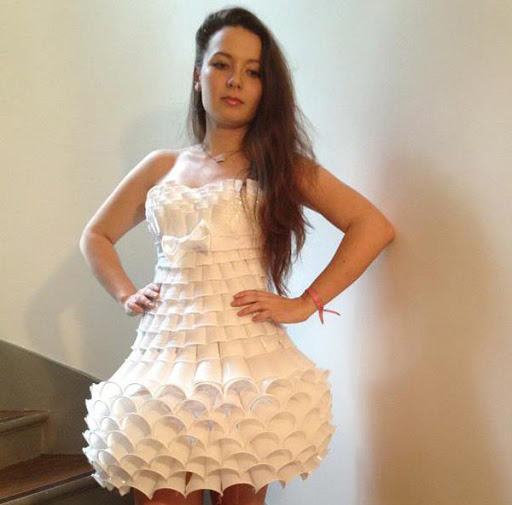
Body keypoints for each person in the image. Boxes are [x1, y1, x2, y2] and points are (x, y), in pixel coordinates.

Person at [79, 6, 395, 505]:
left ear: (266, 88)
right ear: (198, 75)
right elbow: (96, 236)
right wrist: (125, 293)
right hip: (165, 360)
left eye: (253, 71)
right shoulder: (161, 166)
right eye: (222, 64)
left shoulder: (281, 167)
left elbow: (372, 226)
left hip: (248, 363)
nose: (235, 81)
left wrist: (303, 303)